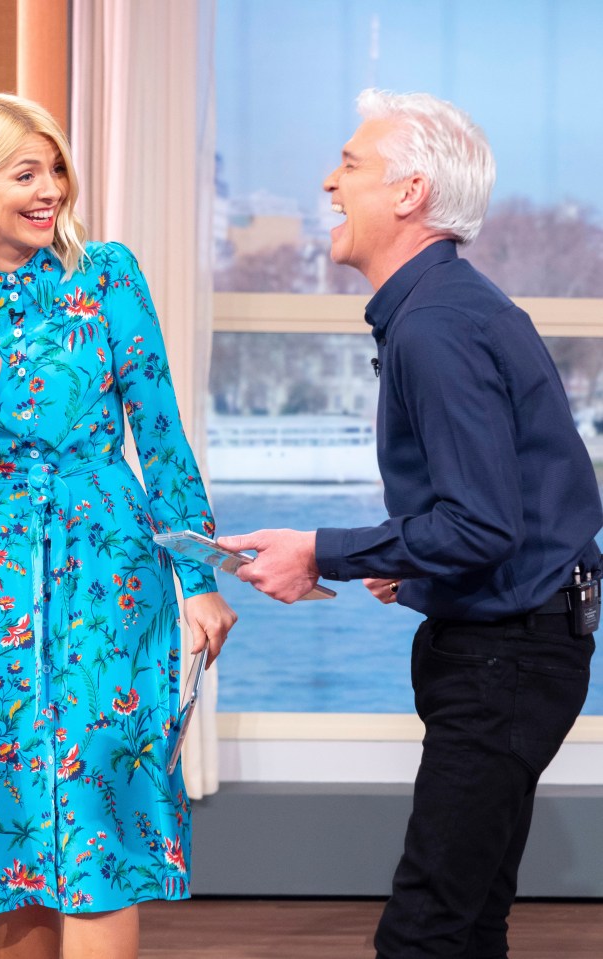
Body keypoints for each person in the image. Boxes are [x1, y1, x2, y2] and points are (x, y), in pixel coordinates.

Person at [219, 88, 602, 958]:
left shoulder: (433, 326)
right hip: (526, 640)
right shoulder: (452, 308)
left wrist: (321, 549)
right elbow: (528, 503)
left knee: (426, 931)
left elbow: (481, 523)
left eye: (349, 164)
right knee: (467, 923)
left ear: (408, 193)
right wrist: (418, 569)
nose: (327, 180)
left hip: (506, 657)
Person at [0, 92, 236, 959]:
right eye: (25, 173)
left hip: (106, 576)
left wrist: (198, 578)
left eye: (58, 169)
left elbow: (161, 436)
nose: (52, 191)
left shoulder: (106, 276)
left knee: (100, 820)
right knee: (2, 827)